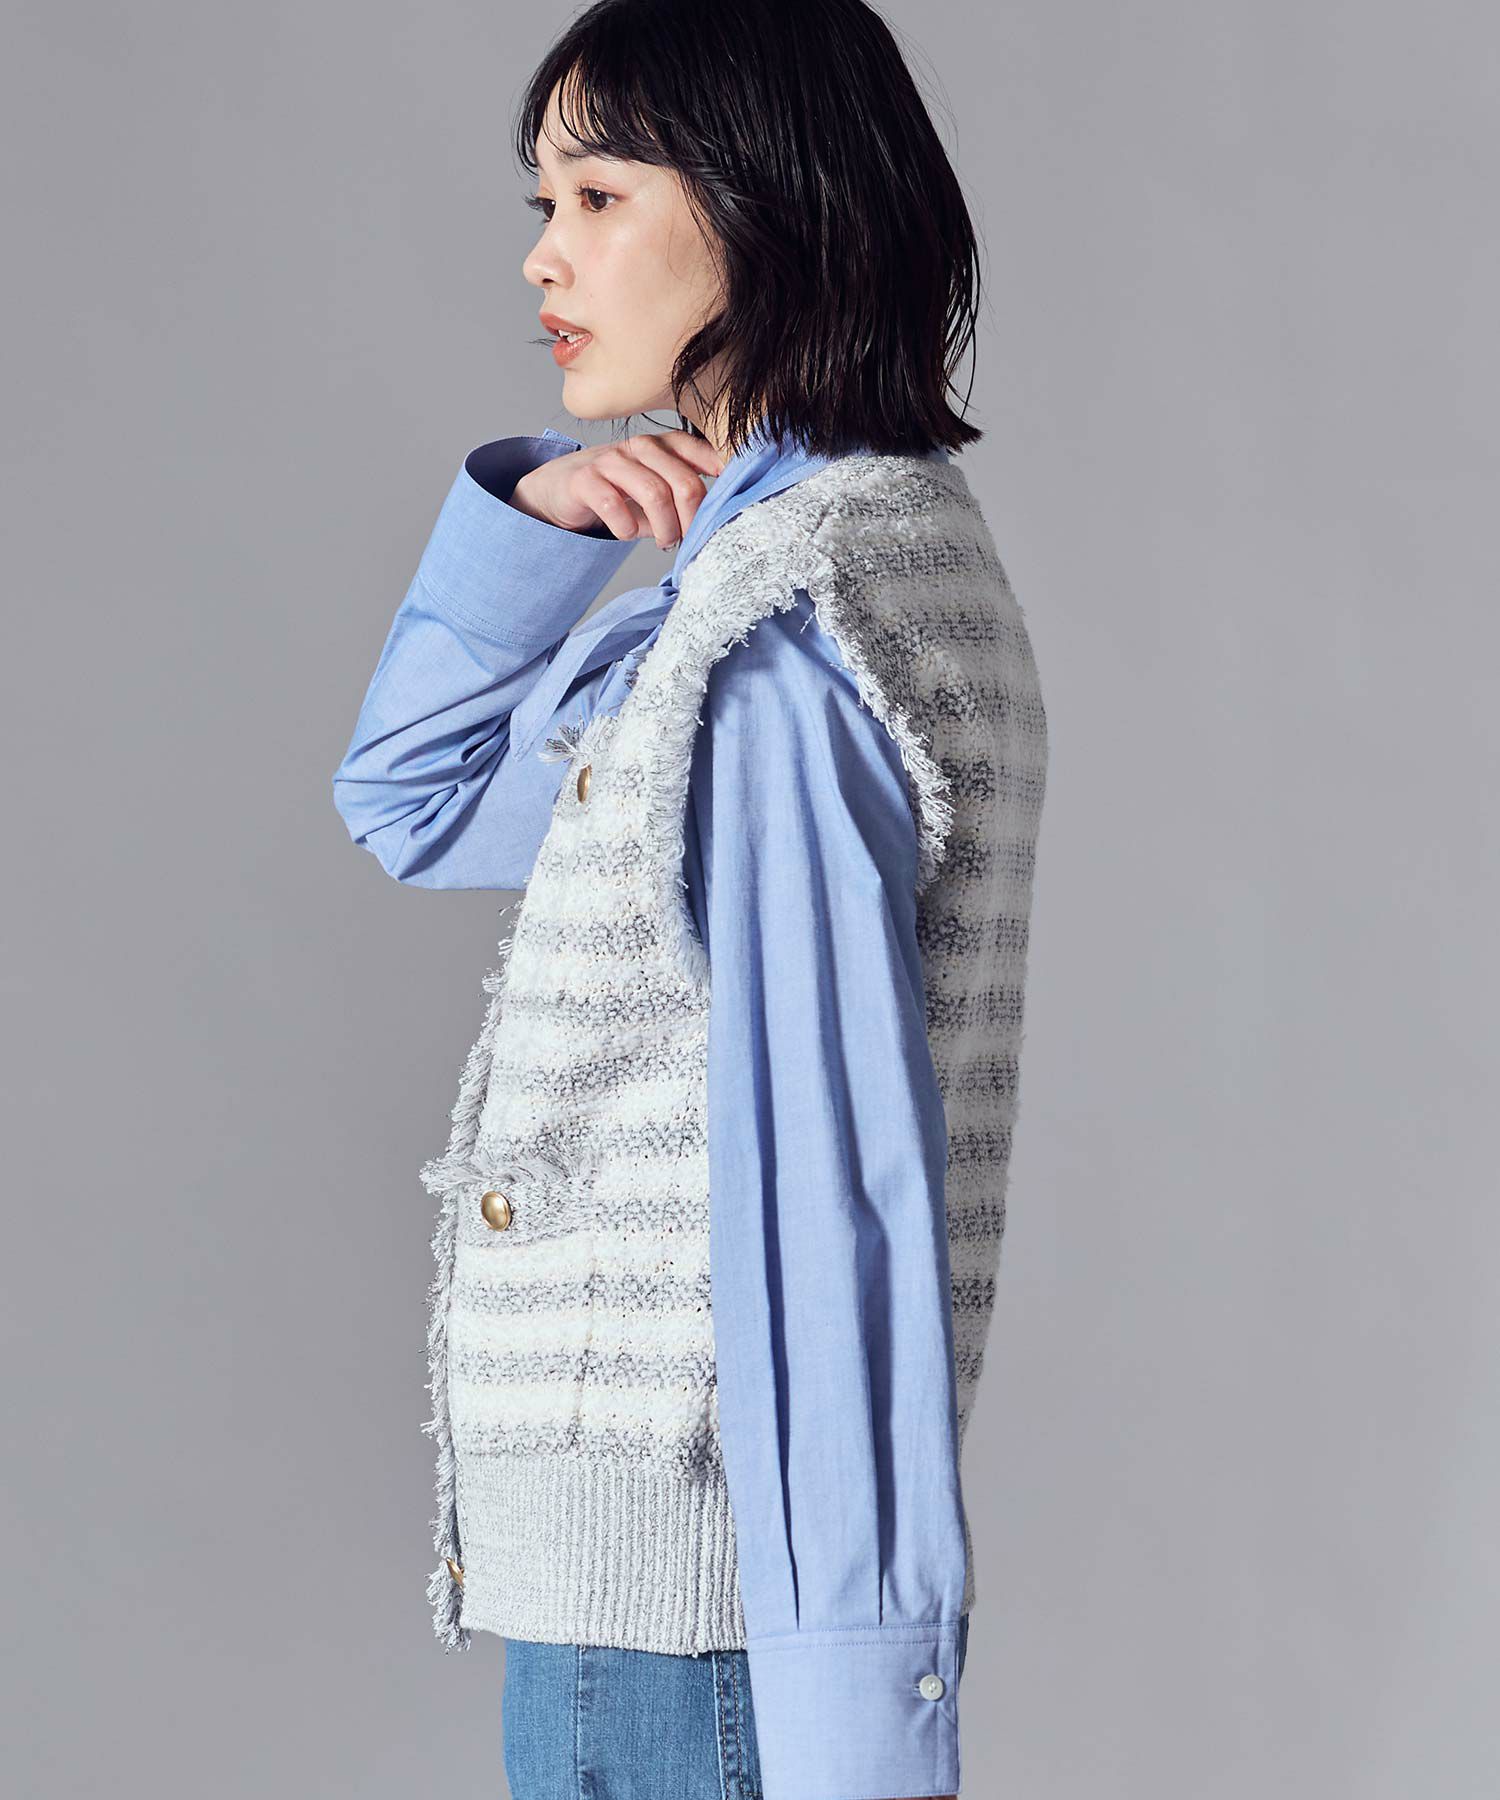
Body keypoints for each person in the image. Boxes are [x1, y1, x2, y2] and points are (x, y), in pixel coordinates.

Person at [331, 4, 1049, 1796]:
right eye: (544, 201)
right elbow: (412, 802)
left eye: (597, 195)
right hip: (650, 1611)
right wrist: (541, 514)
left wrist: (857, 1725)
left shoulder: (780, 632)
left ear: (762, 205)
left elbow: (829, 1200)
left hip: (686, 1638)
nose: (542, 254)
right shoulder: (779, 569)